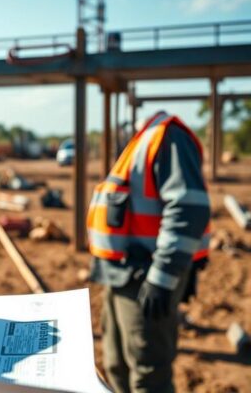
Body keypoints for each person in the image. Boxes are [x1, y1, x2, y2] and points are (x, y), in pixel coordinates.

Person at [87, 110, 211, 393]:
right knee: (117, 367)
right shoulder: (144, 139)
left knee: (148, 375)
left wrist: (163, 277)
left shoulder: (167, 137)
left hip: (145, 279)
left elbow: (188, 208)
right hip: (119, 276)